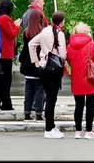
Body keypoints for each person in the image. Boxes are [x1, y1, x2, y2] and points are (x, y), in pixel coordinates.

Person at [29, 10, 67, 139]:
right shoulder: (59, 34)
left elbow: (31, 44)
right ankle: (48, 129)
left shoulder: (44, 31)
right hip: (54, 69)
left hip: (43, 67)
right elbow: (63, 55)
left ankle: (51, 125)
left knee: (48, 97)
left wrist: (36, 61)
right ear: (62, 22)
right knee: (52, 99)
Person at [67, 22, 94, 139]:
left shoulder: (70, 46)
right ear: (87, 32)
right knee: (90, 105)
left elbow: (68, 59)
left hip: (76, 79)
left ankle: (78, 131)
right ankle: (88, 131)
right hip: (90, 78)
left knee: (78, 105)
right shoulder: (92, 45)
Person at [18, 8, 46, 121]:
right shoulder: (42, 33)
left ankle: (27, 112)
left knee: (28, 89)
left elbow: (25, 48)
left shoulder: (26, 32)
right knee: (40, 89)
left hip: (27, 64)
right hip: (38, 63)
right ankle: (39, 112)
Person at [0, 0, 21, 111]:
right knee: (6, 80)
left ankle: (1, 101)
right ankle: (6, 103)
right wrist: (17, 25)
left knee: (2, 79)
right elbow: (12, 34)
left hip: (2, 52)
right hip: (6, 53)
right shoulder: (5, 18)